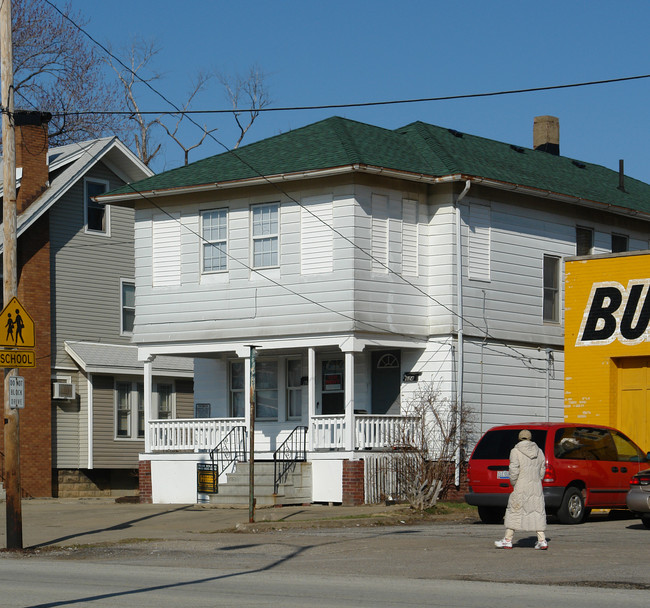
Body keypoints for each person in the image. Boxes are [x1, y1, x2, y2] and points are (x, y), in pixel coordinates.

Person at [495, 429, 548, 550]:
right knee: (537, 511)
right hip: (536, 486)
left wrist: (514, 483)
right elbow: (542, 470)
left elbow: (513, 470)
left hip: (521, 485)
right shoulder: (539, 451)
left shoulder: (515, 451)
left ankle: (507, 540)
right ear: (530, 438)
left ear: (519, 438)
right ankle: (542, 540)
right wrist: (537, 480)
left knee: (515, 511)